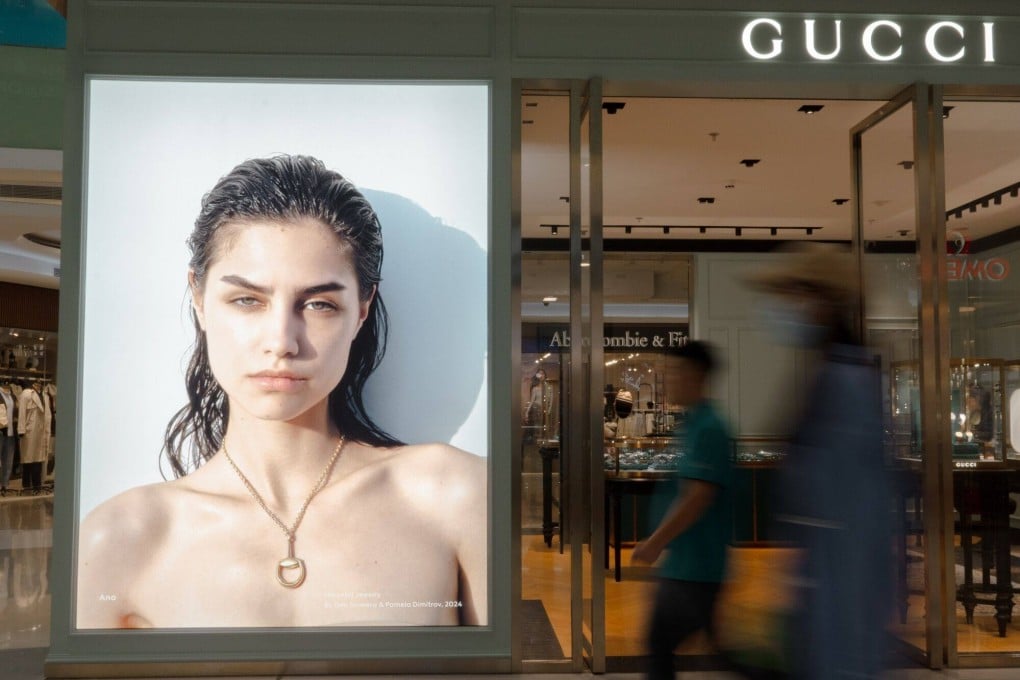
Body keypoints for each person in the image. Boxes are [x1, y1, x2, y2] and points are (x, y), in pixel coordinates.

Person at [77, 155, 487, 629]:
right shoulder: (121, 538)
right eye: (247, 299)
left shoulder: (456, 496)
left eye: (319, 303)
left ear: (362, 309)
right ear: (199, 298)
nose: (282, 342)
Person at [747, 243, 892, 679]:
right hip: (822, 587)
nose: (783, 309)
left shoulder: (844, 382)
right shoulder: (834, 373)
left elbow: (846, 510)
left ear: (822, 302)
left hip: (837, 598)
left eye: (793, 295)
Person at [631, 340, 733, 680]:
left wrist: (655, 542)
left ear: (695, 375)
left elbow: (697, 497)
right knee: (712, 650)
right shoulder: (693, 424)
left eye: (674, 373)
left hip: (697, 568)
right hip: (685, 563)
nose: (668, 381)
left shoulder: (709, 428)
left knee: (660, 642)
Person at [17, 380, 46, 495]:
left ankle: (37, 486)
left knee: (37, 459)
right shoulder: (26, 394)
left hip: (39, 431)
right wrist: (21, 429)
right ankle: (27, 486)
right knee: (28, 459)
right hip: (29, 431)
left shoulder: (43, 394)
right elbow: (22, 412)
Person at [0, 383, 15, 496]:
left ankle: (5, 484)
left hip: (10, 432)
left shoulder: (11, 396)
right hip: (1, 431)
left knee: (8, 461)